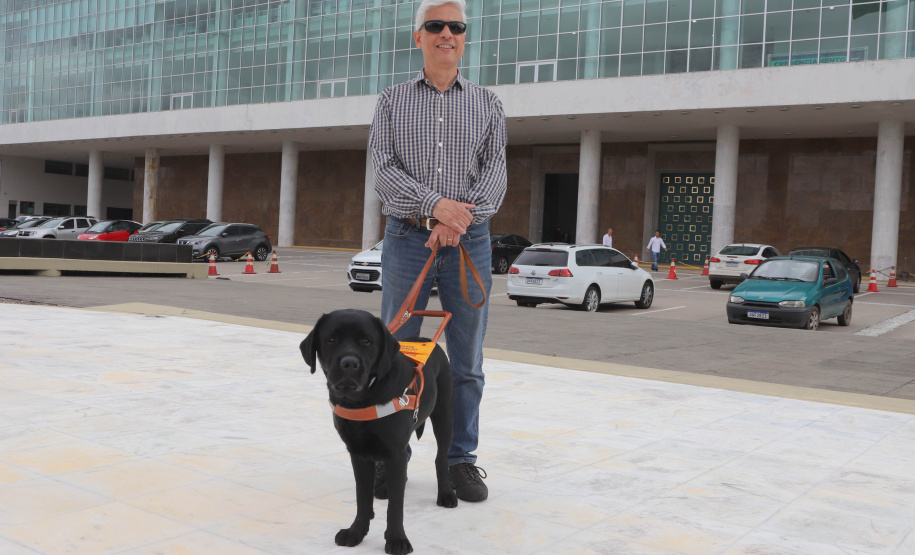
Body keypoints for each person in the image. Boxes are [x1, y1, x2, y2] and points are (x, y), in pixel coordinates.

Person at [368, 0, 506, 503]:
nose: (447, 33)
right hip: (408, 239)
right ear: (418, 36)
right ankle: (390, 457)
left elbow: (495, 174)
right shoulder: (391, 101)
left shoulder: (488, 104)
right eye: (436, 25)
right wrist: (436, 208)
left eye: (456, 26)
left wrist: (457, 220)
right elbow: (384, 171)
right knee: (396, 354)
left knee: (467, 360)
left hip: (469, 242)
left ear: (464, 37)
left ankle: (460, 461)